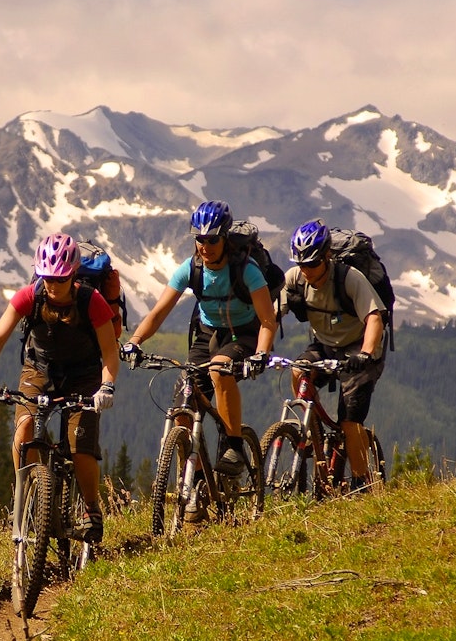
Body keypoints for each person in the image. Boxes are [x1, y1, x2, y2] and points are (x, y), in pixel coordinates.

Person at [0, 233, 120, 543]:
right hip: (39, 368)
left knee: (79, 446)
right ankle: (27, 496)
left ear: (73, 275)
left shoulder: (90, 301)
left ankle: (91, 509)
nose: (52, 285)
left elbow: (109, 351)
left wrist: (106, 387)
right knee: (24, 430)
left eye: (60, 279)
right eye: (47, 278)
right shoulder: (30, 296)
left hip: (84, 374)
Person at [120, 201, 277, 475]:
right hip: (207, 334)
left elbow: (267, 321)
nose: (205, 246)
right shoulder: (191, 268)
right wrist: (135, 341)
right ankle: (191, 478)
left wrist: (261, 354)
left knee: (219, 370)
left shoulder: (246, 270)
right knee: (184, 397)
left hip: (244, 334)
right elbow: (157, 314)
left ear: (225, 237)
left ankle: (234, 446)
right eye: (200, 239)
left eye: (213, 239)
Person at [284, 219, 386, 492]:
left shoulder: (349, 278)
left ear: (327, 256)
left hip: (360, 347)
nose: (305, 270)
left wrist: (364, 354)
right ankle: (313, 432)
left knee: (350, 421)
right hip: (326, 345)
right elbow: (271, 314)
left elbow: (375, 318)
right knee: (298, 370)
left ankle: (363, 485)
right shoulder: (295, 279)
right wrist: (261, 349)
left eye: (312, 263)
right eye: (300, 264)